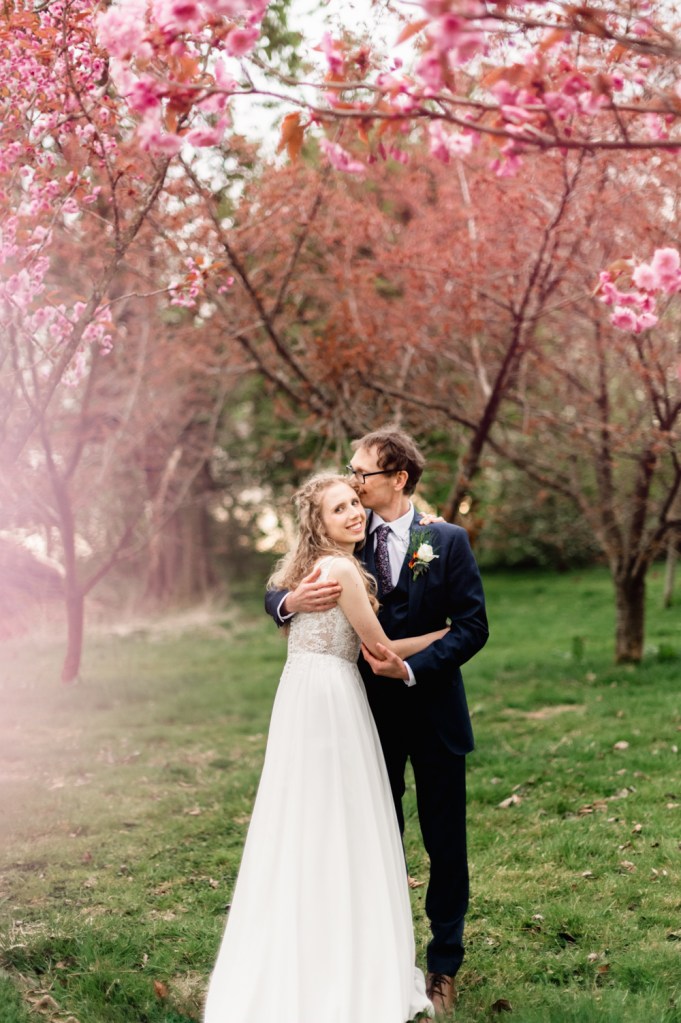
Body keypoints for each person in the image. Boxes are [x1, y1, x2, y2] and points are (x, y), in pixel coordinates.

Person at [204, 472, 449, 1023]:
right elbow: (378, 650)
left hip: (300, 698)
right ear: (319, 523)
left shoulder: (300, 570)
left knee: (304, 818)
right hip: (334, 698)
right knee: (344, 817)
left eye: (354, 504)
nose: (353, 514)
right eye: (339, 509)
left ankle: (307, 947)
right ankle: (346, 955)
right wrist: (441, 637)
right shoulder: (339, 568)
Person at [266, 429, 489, 1017]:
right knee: (371, 838)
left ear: (399, 478)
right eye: (352, 474)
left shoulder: (447, 540)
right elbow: (283, 588)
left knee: (446, 843)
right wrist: (288, 606)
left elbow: (472, 627)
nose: (355, 483)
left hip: (435, 710)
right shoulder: (347, 537)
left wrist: (413, 670)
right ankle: (377, 956)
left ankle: (443, 964)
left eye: (363, 473)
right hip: (361, 718)